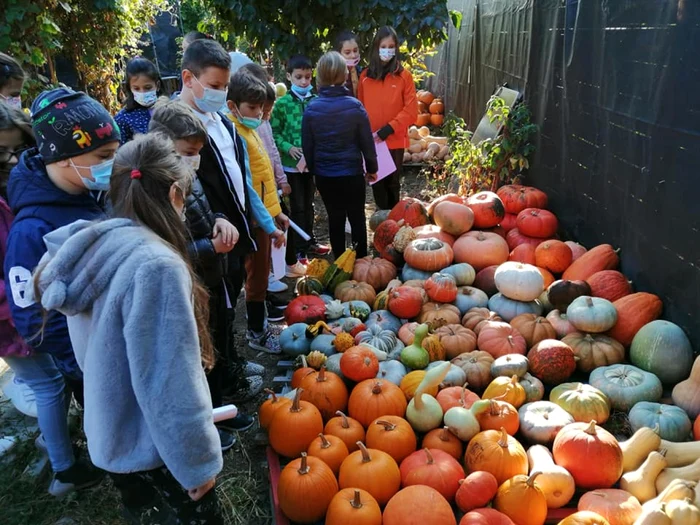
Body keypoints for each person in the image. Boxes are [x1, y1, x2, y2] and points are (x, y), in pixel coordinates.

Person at [31, 133, 225, 524]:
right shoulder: (156, 267)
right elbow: (169, 382)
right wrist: (198, 464)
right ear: (175, 194)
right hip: (156, 448)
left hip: (114, 433)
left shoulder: (94, 247)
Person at [5, 87, 120, 496]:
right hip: (86, 361)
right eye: (103, 157)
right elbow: (30, 316)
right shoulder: (31, 230)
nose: (113, 165)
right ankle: (121, 479)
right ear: (63, 157)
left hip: (113, 345)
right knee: (108, 423)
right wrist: (81, 361)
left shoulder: (91, 194)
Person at [149, 99, 264, 451]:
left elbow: (203, 204)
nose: (194, 159)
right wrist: (210, 248)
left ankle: (222, 407)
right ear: (163, 145)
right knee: (199, 355)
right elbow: (170, 250)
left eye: (198, 153)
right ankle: (209, 421)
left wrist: (219, 218)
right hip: (191, 283)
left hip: (211, 277)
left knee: (217, 336)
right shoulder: (155, 192)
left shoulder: (187, 175)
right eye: (188, 152)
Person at [178, 40, 285, 374]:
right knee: (212, 312)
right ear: (187, 78)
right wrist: (218, 222)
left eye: (224, 87)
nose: (220, 94)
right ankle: (222, 382)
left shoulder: (222, 123)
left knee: (229, 304)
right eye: (213, 86)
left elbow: (244, 180)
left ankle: (232, 363)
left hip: (235, 235)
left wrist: (266, 222)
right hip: (207, 239)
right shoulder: (177, 128)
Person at [227, 70, 289, 353]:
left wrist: (277, 212)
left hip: (263, 216)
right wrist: (268, 223)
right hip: (253, 219)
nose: (259, 113)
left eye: (262, 108)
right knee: (257, 275)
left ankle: (260, 324)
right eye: (252, 108)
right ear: (233, 106)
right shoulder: (235, 136)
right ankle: (256, 333)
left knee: (261, 273)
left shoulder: (250, 131)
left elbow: (264, 179)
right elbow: (249, 189)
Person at [302, 52, 377, 259]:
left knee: (334, 218)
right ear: (344, 76)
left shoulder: (311, 109)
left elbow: (308, 146)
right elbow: (366, 143)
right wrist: (372, 168)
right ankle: (361, 260)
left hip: (326, 176)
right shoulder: (355, 106)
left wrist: (314, 172)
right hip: (351, 173)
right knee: (357, 217)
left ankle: (340, 262)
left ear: (320, 77)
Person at [238, 63, 293, 294]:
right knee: (256, 262)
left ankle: (266, 287)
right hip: (255, 208)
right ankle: (258, 320)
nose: (263, 116)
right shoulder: (242, 132)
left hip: (267, 200)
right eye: (260, 110)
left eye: (266, 111)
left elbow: (270, 157)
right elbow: (251, 182)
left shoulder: (259, 125)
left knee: (265, 254)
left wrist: (276, 204)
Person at [270, 55, 330, 265]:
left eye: (307, 77)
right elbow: (274, 133)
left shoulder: (317, 101)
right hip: (291, 166)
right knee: (298, 206)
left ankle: (310, 240)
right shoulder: (282, 104)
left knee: (310, 203)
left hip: (312, 163)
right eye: (298, 77)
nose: (304, 82)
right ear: (288, 77)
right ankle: (299, 249)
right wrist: (289, 147)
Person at [0, 104, 36, 420]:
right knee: (47, 384)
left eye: (19, 148)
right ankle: (61, 461)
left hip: (29, 311)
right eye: (2, 152)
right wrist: (20, 299)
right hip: (10, 319)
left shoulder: (21, 188)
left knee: (50, 382)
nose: (12, 159)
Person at [358, 26, 418, 210]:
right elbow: (359, 108)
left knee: (393, 183)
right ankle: (382, 220)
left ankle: (394, 219)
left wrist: (389, 128)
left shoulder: (403, 76)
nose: (387, 50)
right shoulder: (365, 77)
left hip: (395, 139)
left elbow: (411, 109)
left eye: (391, 46)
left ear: (396, 48)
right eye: (383, 46)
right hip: (373, 141)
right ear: (376, 47)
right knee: (376, 182)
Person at [114, 57, 162, 144]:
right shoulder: (123, 118)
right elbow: (120, 153)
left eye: (148, 88)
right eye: (136, 88)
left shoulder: (170, 110)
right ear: (130, 88)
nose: (142, 92)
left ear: (157, 85)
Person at [335, 31, 362, 98]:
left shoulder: (362, 72)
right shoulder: (333, 76)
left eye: (355, 51)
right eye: (347, 53)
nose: (353, 55)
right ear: (339, 53)